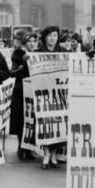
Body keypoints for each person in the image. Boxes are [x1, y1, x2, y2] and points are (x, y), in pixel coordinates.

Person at [37, 25, 66, 168]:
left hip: (59, 93)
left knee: (59, 124)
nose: (52, 38)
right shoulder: (37, 52)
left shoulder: (64, 52)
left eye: (54, 35)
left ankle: (54, 153)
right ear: (44, 38)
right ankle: (46, 152)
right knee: (45, 124)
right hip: (43, 93)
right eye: (49, 36)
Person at [9, 31, 37, 160]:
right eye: (29, 42)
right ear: (25, 44)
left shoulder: (39, 53)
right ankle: (21, 147)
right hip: (21, 91)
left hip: (34, 90)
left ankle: (30, 148)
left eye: (34, 41)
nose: (32, 44)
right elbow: (13, 71)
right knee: (21, 119)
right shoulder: (18, 54)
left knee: (32, 119)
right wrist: (23, 63)